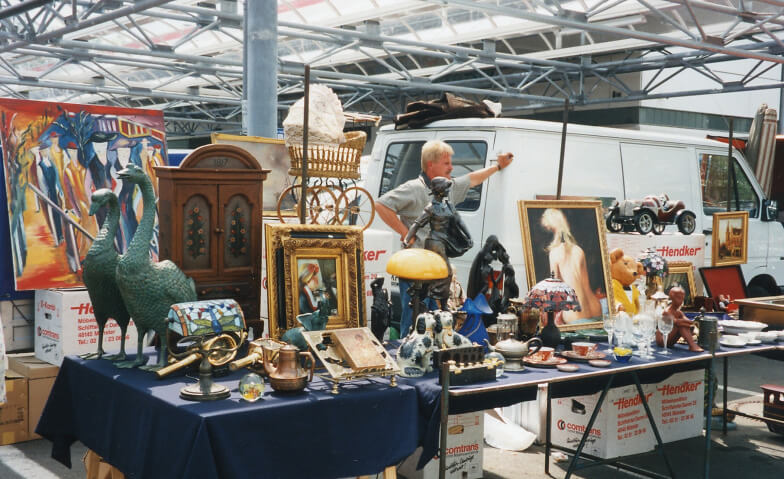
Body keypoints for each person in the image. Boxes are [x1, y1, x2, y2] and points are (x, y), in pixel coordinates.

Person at [377, 139, 513, 337]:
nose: (452, 167)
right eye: (446, 163)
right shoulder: (414, 188)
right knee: (414, 316)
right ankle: (407, 354)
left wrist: (498, 166)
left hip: (437, 266)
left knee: (437, 316)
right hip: (415, 267)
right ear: (431, 164)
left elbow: (472, 179)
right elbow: (381, 205)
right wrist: (405, 233)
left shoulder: (447, 188)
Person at [540, 208, 602, 323]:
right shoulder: (579, 250)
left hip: (574, 312)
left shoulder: (554, 253)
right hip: (595, 308)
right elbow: (585, 283)